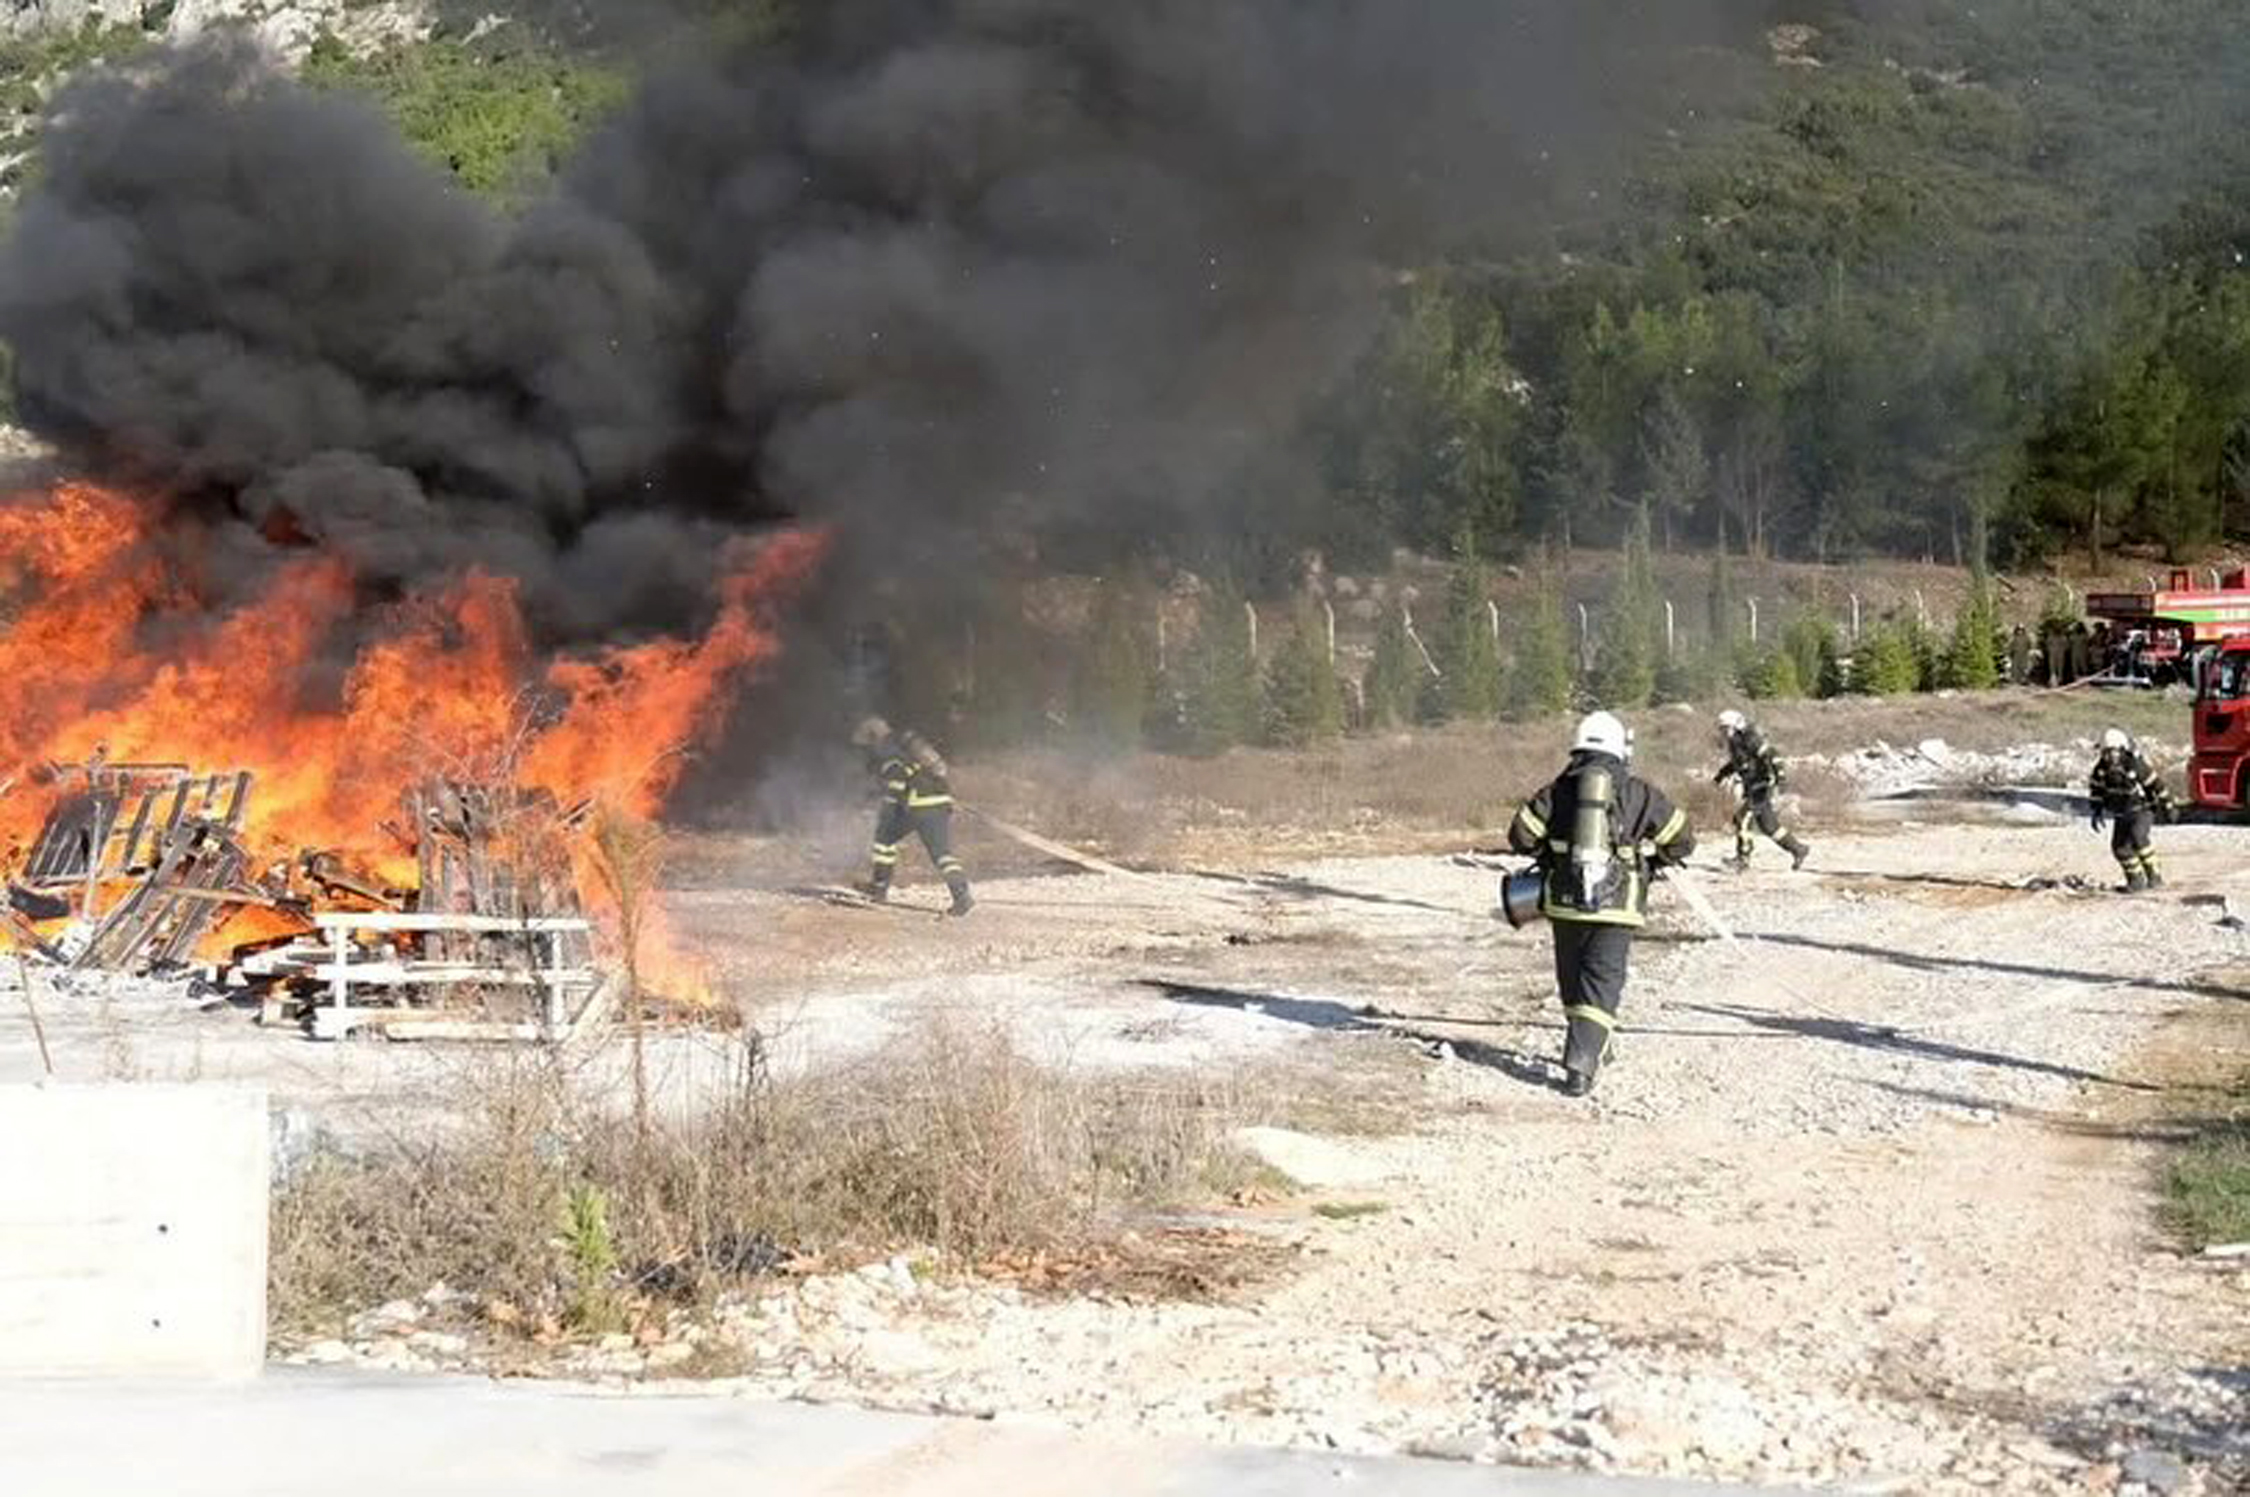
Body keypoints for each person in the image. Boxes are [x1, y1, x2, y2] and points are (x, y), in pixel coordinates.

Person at [1506, 711, 1695, 1097]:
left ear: (1577, 749)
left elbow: (1520, 836)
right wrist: (1652, 863)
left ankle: (1595, 1046)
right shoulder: (1639, 791)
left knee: (1573, 980)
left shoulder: (1556, 790)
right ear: (1618, 750)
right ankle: (1581, 1063)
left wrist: (1552, 850)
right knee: (1603, 982)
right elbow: (1682, 839)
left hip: (1563, 903)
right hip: (1618, 906)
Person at [851, 716, 974, 915]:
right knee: (939, 853)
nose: (864, 751)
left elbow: (897, 781)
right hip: (938, 801)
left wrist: (887, 810)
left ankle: (880, 887)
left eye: (865, 746)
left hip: (917, 805)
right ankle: (961, 894)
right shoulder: (906, 743)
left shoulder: (887, 752)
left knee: (885, 839)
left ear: (873, 739)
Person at [1713, 710, 1810, 872]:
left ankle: (1742, 858)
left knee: (1742, 819)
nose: (1723, 732)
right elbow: (1738, 762)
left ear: (1735, 725)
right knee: (1769, 826)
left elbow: (1772, 755)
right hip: (1752, 786)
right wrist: (1721, 775)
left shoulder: (1750, 738)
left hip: (1761, 786)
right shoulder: (1736, 742)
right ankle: (1798, 849)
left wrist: (1781, 778)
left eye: (1725, 728)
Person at [2088, 728, 2174, 893]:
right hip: (2121, 813)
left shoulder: (2135, 765)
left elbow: (2157, 785)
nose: (2109, 756)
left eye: (2112, 751)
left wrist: (2168, 806)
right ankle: (2136, 881)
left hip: (2142, 810)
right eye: (2106, 752)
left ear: (2121, 749)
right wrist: (2096, 810)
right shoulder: (2100, 770)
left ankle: (2154, 876)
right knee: (2119, 848)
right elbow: (2096, 791)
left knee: (2138, 837)